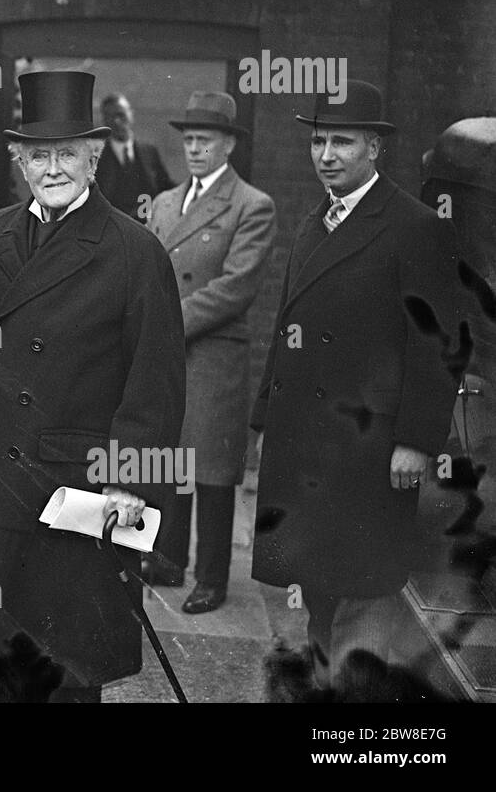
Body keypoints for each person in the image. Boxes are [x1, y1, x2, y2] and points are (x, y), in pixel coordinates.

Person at [0, 69, 186, 702]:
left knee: (62, 671)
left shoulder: (133, 250)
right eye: (37, 155)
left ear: (93, 160)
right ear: (20, 163)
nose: (52, 168)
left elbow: (156, 378)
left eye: (67, 153)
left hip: (69, 488)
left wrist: (130, 478)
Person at [250, 79, 463, 689]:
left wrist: (418, 439)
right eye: (319, 141)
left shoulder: (414, 227)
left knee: (366, 593)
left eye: (342, 141)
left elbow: (435, 345)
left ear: (376, 148)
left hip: (371, 450)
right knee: (320, 591)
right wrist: (267, 420)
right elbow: (284, 331)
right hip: (308, 447)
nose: (326, 155)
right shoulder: (314, 223)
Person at [145, 90, 276, 613]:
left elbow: (235, 287)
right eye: (189, 139)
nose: (195, 148)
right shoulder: (164, 202)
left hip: (214, 353)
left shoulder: (252, 205)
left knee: (216, 471)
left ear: (229, 146)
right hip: (169, 352)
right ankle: (169, 558)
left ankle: (213, 576)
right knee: (173, 458)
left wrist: (164, 324)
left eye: (206, 139)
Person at [95, 92, 174, 217]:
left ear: (131, 114)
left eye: (121, 115)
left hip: (146, 227)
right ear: (104, 121)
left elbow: (165, 188)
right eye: (110, 117)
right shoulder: (96, 157)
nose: (116, 121)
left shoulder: (149, 152)